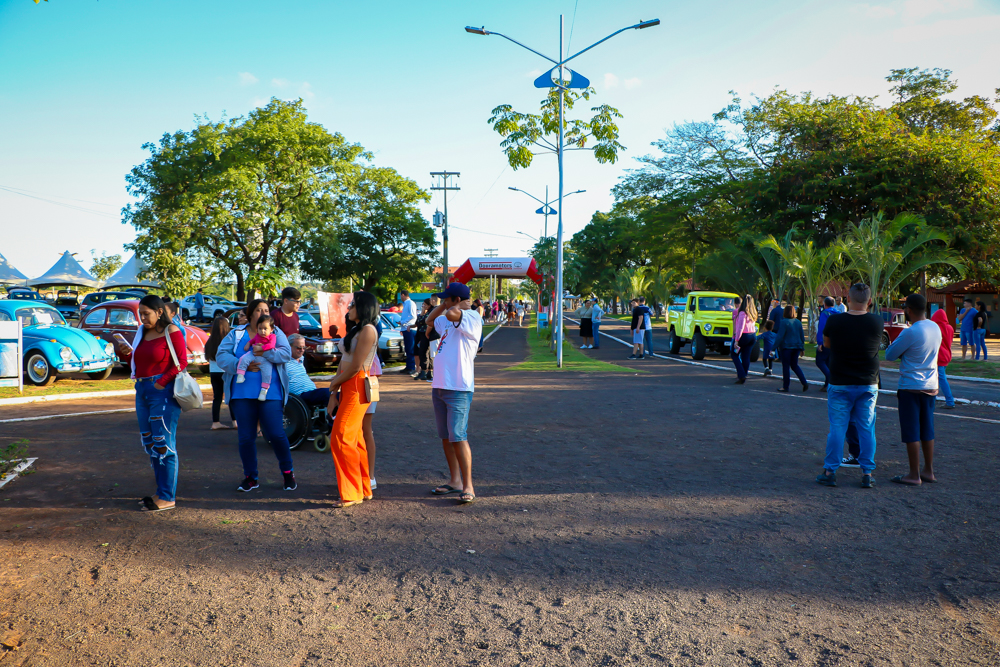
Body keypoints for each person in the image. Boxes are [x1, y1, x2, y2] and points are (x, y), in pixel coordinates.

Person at [115, 295, 187, 512]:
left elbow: (182, 362)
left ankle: (168, 497)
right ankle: (160, 491)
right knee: (150, 443)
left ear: (159, 312)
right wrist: (127, 355)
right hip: (143, 390)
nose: (143, 318)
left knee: (164, 443)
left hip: (162, 392)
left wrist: (161, 383)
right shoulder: (142, 333)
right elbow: (139, 363)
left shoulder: (171, 331)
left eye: (147, 313)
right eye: (140, 314)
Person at [216, 299, 296, 493]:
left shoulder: (277, 333)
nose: (262, 313)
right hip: (242, 393)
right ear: (251, 313)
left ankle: (288, 474)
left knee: (276, 434)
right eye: (259, 310)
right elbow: (221, 355)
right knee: (245, 437)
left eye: (266, 310)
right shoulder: (237, 334)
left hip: (271, 392)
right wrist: (239, 365)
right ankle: (251, 477)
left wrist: (265, 353)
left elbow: (286, 354)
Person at [815, 283, 883, 488]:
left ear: (847, 300)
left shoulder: (835, 320)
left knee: (837, 427)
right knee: (866, 428)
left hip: (840, 380)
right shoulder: (877, 322)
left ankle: (830, 471)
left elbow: (827, 344)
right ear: (869, 301)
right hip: (868, 381)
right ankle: (867, 473)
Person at [427, 282, 482, 505]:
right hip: (439, 386)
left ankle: (468, 486)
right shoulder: (449, 320)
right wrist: (442, 304)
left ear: (456, 300)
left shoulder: (471, 318)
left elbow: (451, 313)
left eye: (446, 298)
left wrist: (455, 305)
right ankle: (455, 480)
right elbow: (430, 321)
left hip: (458, 387)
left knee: (458, 437)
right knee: (446, 437)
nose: (443, 302)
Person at [325, 291, 380, 508]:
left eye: (354, 305)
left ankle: (352, 492)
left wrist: (334, 384)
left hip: (357, 386)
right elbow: (344, 362)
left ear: (364, 307)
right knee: (353, 439)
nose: (349, 308)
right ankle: (363, 488)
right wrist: (334, 392)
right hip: (348, 386)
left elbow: (356, 367)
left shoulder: (368, 330)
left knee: (341, 438)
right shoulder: (358, 329)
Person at [886, 294, 941, 486]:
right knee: (927, 429)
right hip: (931, 385)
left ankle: (913, 474)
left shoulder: (910, 331)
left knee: (911, 430)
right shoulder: (935, 327)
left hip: (911, 386)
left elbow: (890, 354)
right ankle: (929, 471)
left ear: (908, 310)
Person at [235, 315, 278, 402]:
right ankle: (240, 374)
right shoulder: (258, 335)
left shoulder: (272, 337)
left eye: (265, 329)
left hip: (265, 359)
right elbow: (253, 340)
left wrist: (261, 348)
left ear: (271, 329)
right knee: (243, 359)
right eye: (260, 328)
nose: (262, 331)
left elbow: (271, 345)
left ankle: (264, 390)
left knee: (267, 374)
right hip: (253, 354)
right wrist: (248, 344)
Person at [205, 315, 235, 430]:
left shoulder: (210, 341)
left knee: (217, 397)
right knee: (231, 396)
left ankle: (215, 422)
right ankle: (235, 421)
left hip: (214, 372)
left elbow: (207, 357)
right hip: (226, 371)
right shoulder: (228, 341)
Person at [287, 333, 331, 406]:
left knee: (337, 394)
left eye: (304, 347)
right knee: (326, 393)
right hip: (299, 396)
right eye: (298, 348)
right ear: (289, 346)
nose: (302, 350)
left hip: (311, 392)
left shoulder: (301, 359)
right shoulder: (283, 361)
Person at [775, 305, 808, 392]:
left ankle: (785, 386)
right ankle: (804, 382)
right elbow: (802, 336)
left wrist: (773, 348)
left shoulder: (784, 322)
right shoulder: (798, 322)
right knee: (795, 365)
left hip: (786, 347)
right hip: (796, 347)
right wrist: (802, 348)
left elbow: (780, 336)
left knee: (786, 366)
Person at [931, 308, 956, 409]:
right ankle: (933, 400)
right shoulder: (950, 328)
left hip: (938, 357)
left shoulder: (935, 328)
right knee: (937, 379)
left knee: (940, 380)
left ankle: (950, 401)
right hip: (947, 356)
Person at [730, 295, 758, 384]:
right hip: (752, 335)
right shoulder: (753, 312)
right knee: (746, 356)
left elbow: (740, 328)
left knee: (734, 354)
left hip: (744, 335)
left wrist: (736, 340)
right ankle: (744, 374)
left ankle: (741, 375)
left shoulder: (742, 313)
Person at [814, 296, 839, 391]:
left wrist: (820, 342)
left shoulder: (825, 313)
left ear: (825, 304)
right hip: (836, 341)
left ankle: (831, 379)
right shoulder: (839, 314)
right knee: (828, 362)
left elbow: (822, 328)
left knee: (820, 361)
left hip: (826, 340)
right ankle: (827, 384)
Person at [398, 289, 417, 375]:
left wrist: (403, 322)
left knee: (410, 348)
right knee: (407, 348)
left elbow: (413, 316)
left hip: (410, 329)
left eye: (401, 296)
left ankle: (412, 367)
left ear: (403, 295)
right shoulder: (406, 304)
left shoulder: (410, 303)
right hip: (406, 329)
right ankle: (408, 366)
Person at [413, 300, 433, 381]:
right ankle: (426, 371)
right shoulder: (424, 314)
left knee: (424, 352)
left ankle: (425, 371)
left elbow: (421, 321)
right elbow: (417, 322)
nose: (423, 306)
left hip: (426, 334)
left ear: (428, 306)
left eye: (425, 305)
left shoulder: (429, 314)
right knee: (423, 352)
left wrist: (422, 313)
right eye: (423, 305)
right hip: (421, 334)